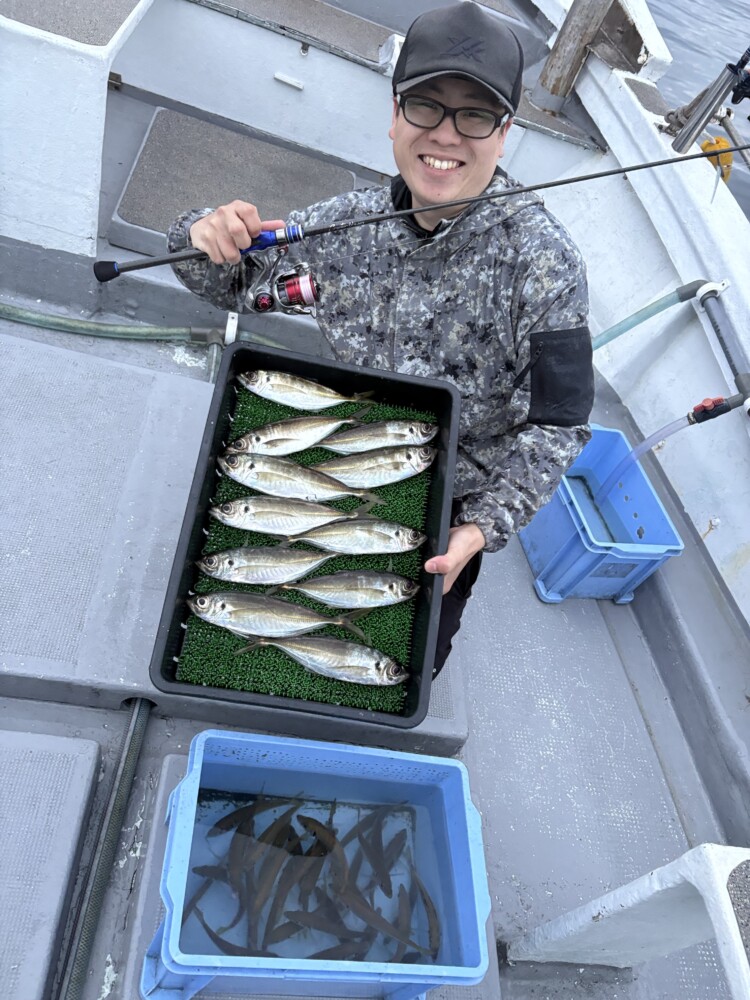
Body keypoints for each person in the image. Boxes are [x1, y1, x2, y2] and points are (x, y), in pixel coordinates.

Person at [167, 1, 595, 677]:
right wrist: (201, 234)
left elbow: (562, 423)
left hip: (456, 493)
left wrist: (482, 529)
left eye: (475, 114)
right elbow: (234, 283)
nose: (447, 135)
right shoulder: (344, 227)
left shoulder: (547, 265)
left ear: (504, 132)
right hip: (336, 450)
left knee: (408, 665)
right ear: (395, 115)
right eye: (426, 105)